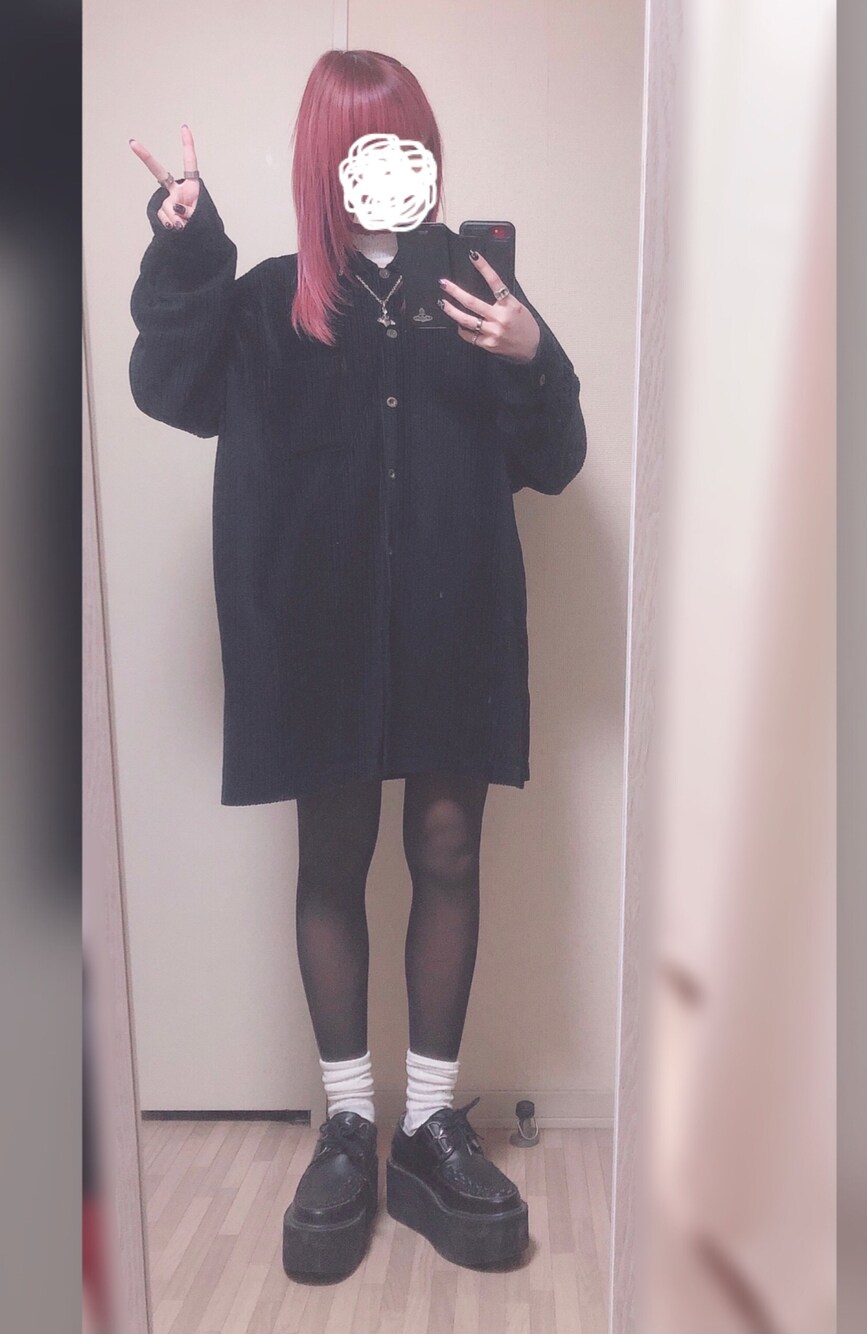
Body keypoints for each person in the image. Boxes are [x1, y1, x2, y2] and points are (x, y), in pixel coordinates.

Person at [128, 48, 586, 1282]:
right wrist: (186, 244)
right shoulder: (269, 300)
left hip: (454, 620)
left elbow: (555, 460)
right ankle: (346, 1123)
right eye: (361, 142)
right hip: (316, 629)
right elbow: (167, 385)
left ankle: (428, 1125)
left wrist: (531, 352)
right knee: (331, 857)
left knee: (447, 848)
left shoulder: (478, 291)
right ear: (324, 161)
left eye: (406, 139)